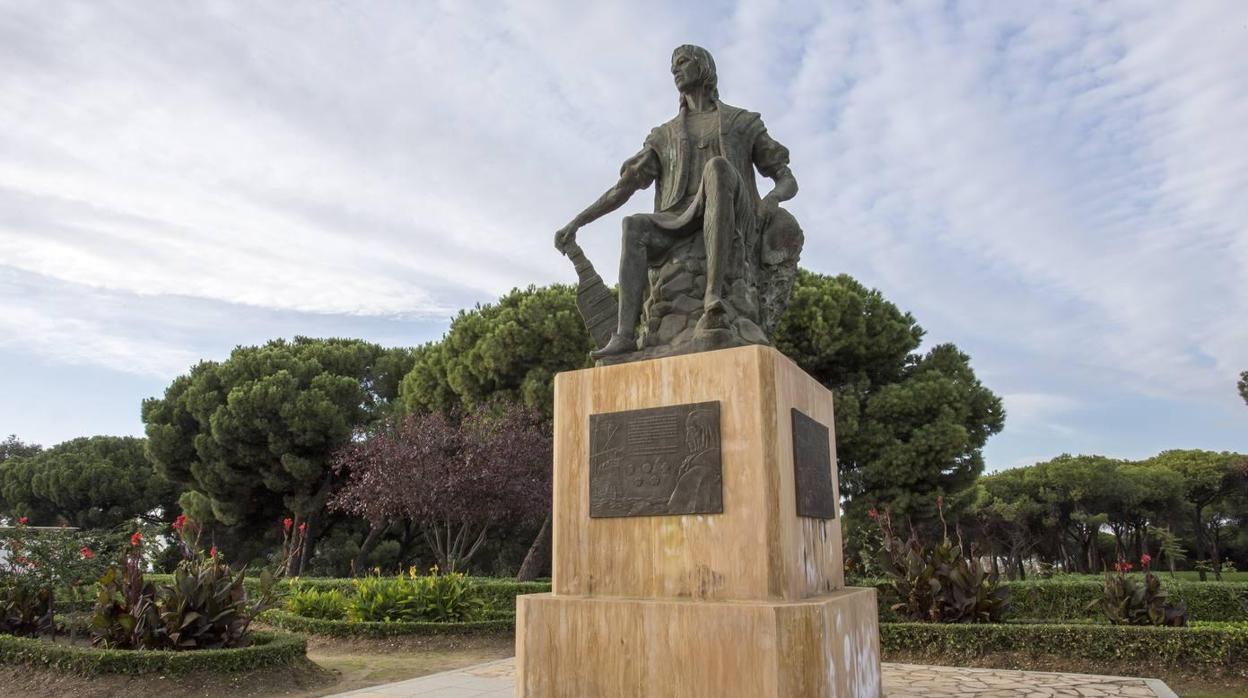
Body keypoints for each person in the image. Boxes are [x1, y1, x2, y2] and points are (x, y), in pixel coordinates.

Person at [554, 44, 798, 359]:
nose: (675, 70)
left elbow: (786, 177)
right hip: (679, 219)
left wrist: (773, 199)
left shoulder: (742, 122)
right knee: (634, 225)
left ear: (704, 67)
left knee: (718, 168)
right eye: (673, 66)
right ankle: (625, 335)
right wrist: (577, 222)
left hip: (735, 213)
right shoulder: (664, 134)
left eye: (682, 62)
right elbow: (623, 189)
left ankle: (714, 296)